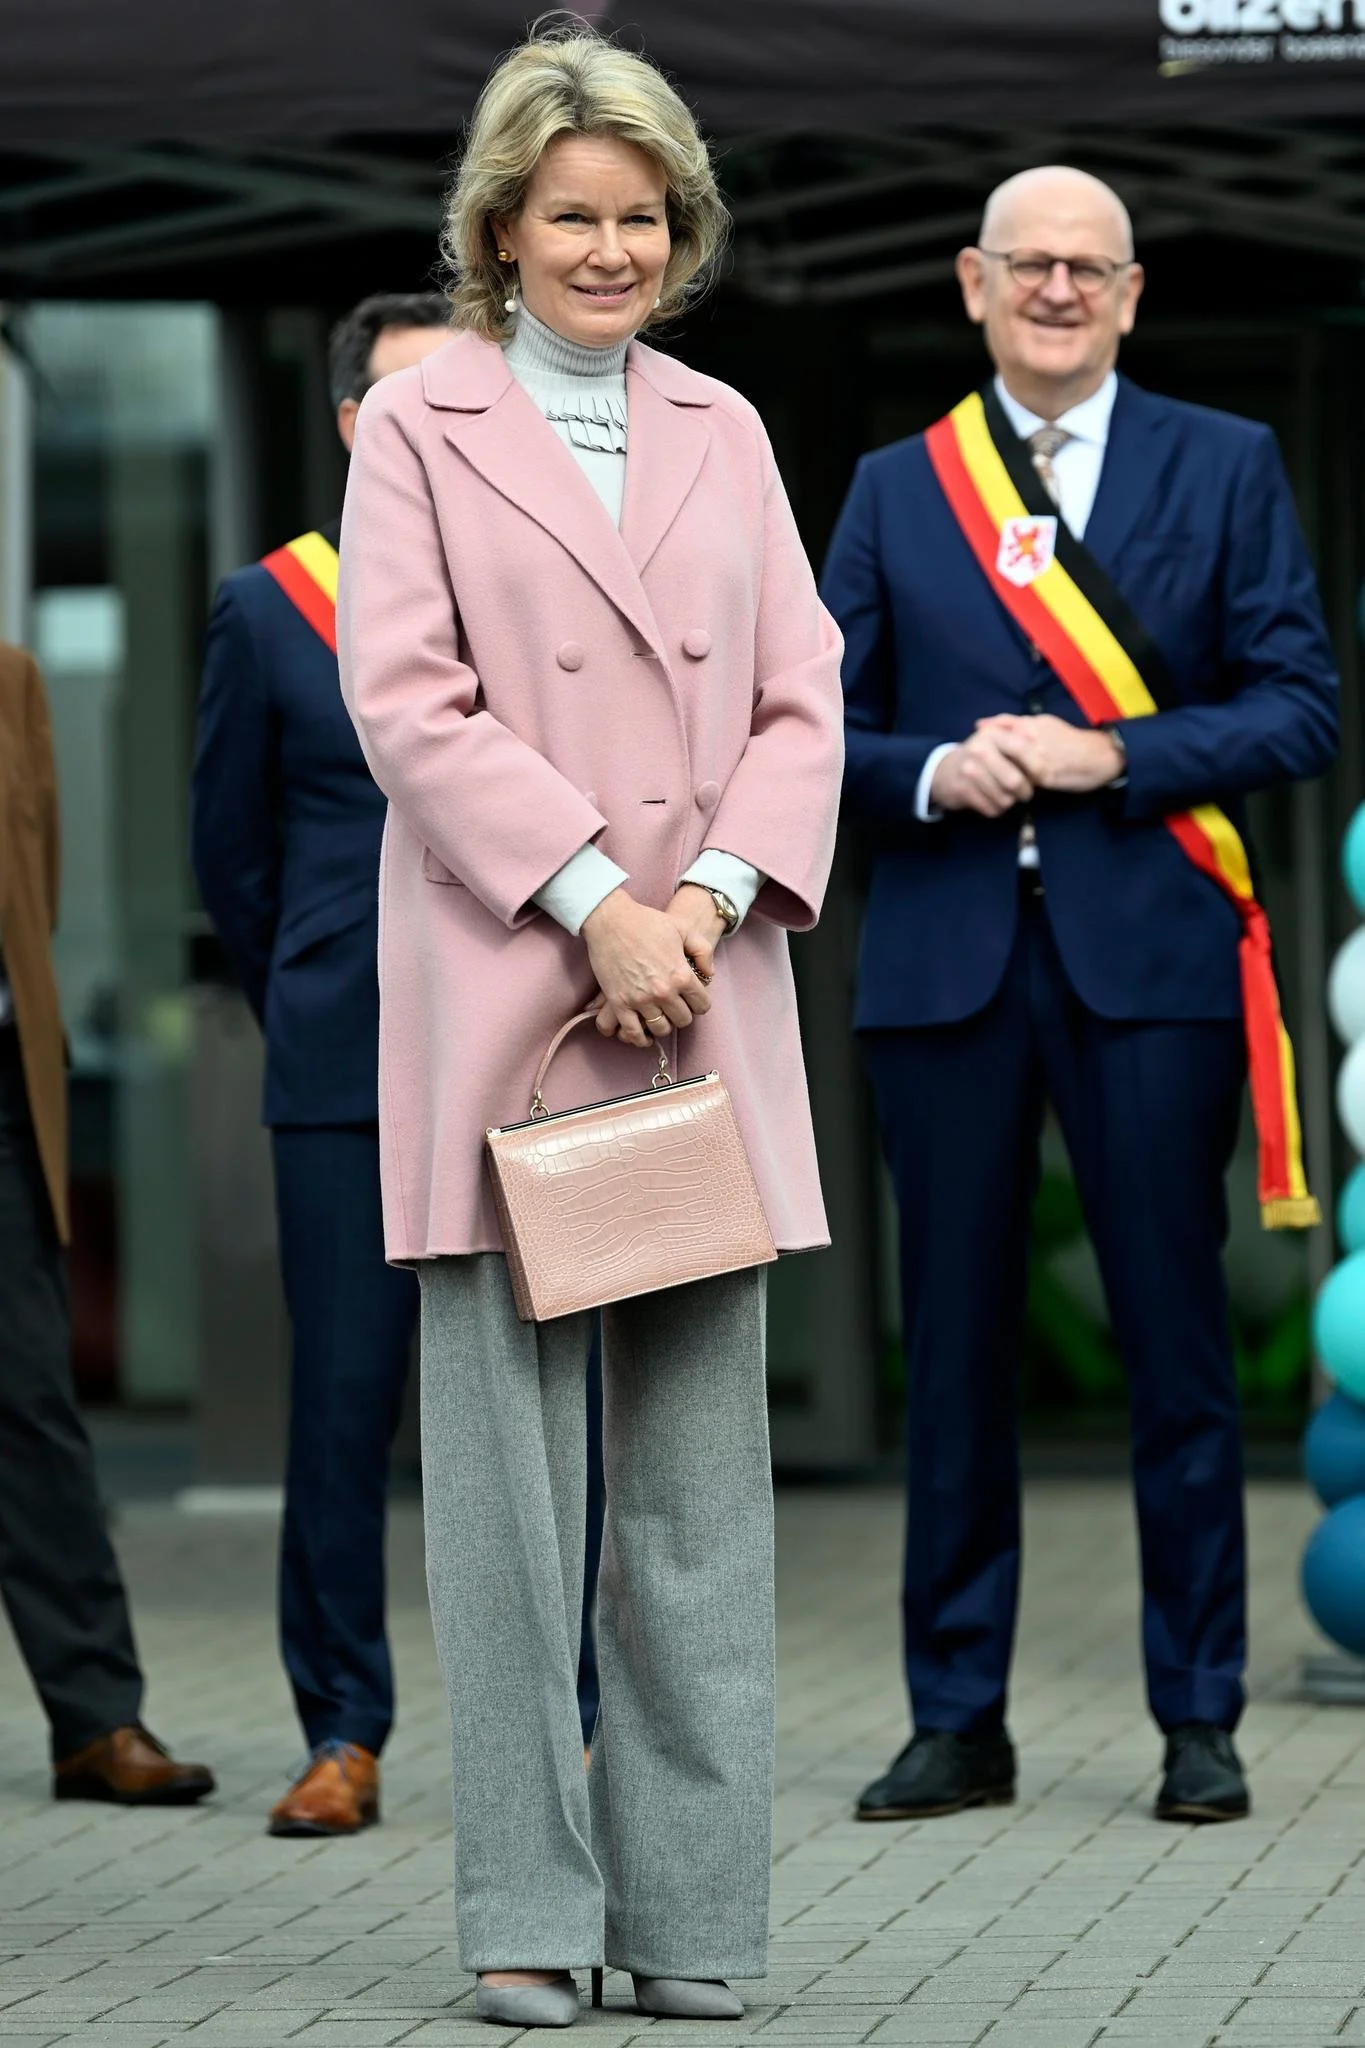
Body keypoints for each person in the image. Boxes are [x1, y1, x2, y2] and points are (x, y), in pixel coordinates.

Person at [337, 23, 843, 2029]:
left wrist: (703, 901)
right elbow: (407, 702)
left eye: (642, 216)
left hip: (699, 999)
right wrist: (596, 901)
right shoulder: (419, 427)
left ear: (679, 230)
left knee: (703, 1504)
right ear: (502, 226)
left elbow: (803, 694)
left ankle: (694, 1908)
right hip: (515, 997)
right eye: (574, 215)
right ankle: (524, 1908)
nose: (610, 247)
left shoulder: (724, 423)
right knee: (514, 1512)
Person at [823, 166, 1338, 1830]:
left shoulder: (1227, 461)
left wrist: (1119, 753)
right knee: (955, 1352)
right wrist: (931, 770)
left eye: (1086, 268)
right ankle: (956, 1716)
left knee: (1176, 1347)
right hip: (947, 966)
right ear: (972, 285)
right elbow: (809, 732)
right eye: (1026, 265)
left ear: (1130, 295)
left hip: (1152, 955)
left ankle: (1199, 1714)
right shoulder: (897, 489)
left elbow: (1295, 706)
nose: (1055, 289)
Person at [193, 292, 451, 1836]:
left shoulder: (524, 591)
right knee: (344, 1404)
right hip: (345, 1066)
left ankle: (577, 1711)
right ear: (355, 423)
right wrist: (314, 988)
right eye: (416, 403)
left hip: (524, 1065)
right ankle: (343, 1726)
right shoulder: (271, 605)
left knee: (561, 1406)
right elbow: (234, 859)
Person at [0, 639, 214, 1808]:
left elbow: (35, 875)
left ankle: (95, 1720)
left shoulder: (14, 678)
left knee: (32, 1407)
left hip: (1, 1092)